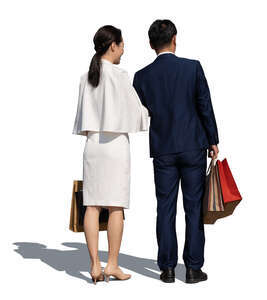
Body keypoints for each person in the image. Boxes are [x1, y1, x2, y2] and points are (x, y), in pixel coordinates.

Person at [133, 19, 219, 284]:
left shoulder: (141, 76)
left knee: (165, 208)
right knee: (194, 209)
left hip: (163, 149)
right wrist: (213, 140)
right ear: (174, 39)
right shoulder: (192, 68)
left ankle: (167, 268)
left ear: (150, 44)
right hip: (193, 145)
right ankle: (193, 269)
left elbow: (141, 111)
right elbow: (204, 105)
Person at [72, 25, 148, 284]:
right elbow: (137, 113)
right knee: (115, 206)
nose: (124, 48)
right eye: (122, 44)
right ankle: (112, 263)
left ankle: (94, 265)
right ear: (112, 45)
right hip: (116, 147)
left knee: (91, 205)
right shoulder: (120, 75)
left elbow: (82, 120)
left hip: (93, 146)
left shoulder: (86, 77)